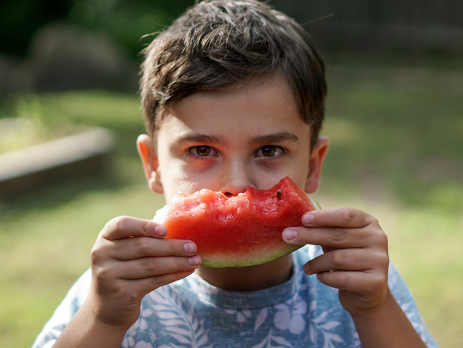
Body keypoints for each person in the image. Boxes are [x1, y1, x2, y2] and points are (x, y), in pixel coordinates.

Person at [33, 1, 438, 347]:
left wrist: (376, 308)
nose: (238, 184)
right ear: (153, 165)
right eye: (202, 151)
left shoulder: (354, 282)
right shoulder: (112, 291)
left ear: (313, 165)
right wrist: (103, 321)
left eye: (269, 150)